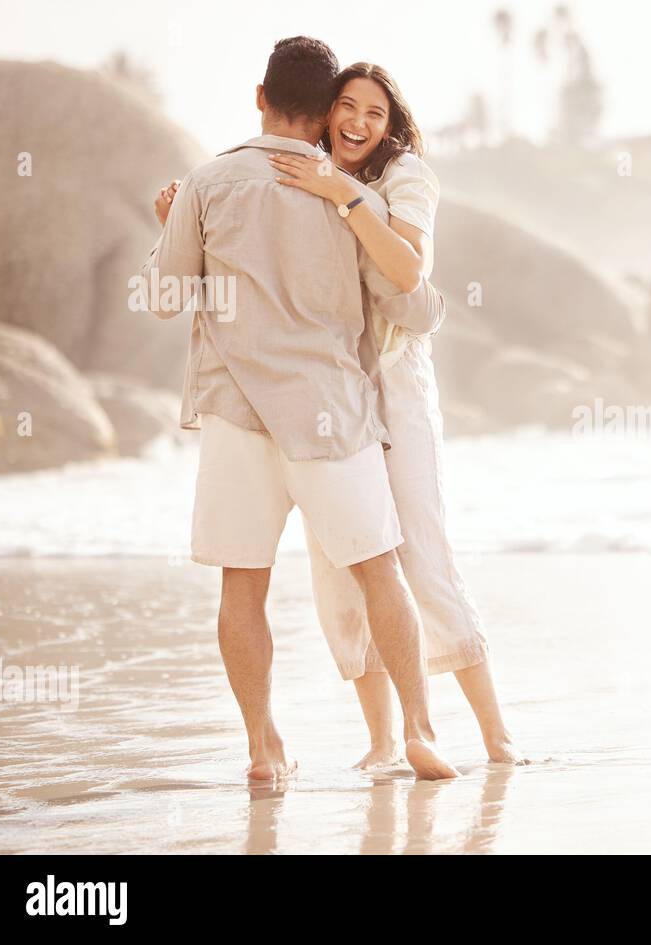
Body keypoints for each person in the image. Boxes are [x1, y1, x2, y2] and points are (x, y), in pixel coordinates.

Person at [140, 37, 458, 782]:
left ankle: (263, 747)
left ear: (260, 97)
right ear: (323, 118)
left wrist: (170, 226)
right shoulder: (353, 198)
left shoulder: (207, 183)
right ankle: (417, 728)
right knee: (379, 571)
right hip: (330, 413)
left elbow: (161, 299)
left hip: (236, 415)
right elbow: (406, 299)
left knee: (241, 584)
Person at [261, 62, 528, 768]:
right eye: (345, 106)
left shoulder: (406, 176)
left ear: (391, 124)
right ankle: (383, 742)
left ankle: (497, 738)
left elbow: (408, 268)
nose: (356, 122)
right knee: (342, 564)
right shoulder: (307, 173)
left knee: (421, 554)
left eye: (373, 113)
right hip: (331, 389)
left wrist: (341, 192)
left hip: (396, 382)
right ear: (324, 114)